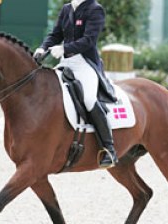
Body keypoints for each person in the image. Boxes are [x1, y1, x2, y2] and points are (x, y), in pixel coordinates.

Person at [34, 0, 118, 168]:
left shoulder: (95, 9)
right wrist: (43, 48)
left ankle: (109, 148)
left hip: (85, 64)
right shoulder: (66, 9)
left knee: (88, 99)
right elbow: (56, 34)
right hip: (67, 63)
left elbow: (89, 40)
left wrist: (64, 48)